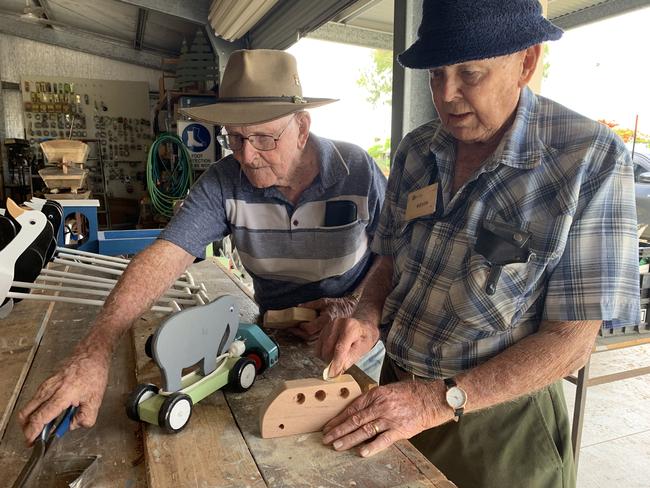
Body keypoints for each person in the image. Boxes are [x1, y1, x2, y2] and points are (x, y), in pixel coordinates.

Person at [316, 1, 640, 487]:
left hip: (498, 424)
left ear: (526, 63)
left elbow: (571, 342)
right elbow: (387, 260)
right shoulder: (418, 150)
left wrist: (437, 400)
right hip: (396, 396)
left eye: (470, 73)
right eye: (436, 74)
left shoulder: (588, 160)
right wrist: (366, 315)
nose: (447, 96)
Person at [19, 49, 387, 444]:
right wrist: (94, 350)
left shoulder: (358, 171)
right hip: (277, 341)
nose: (247, 155)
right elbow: (164, 256)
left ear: (302, 126)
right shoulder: (224, 181)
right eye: (236, 138)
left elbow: (393, 253)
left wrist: (354, 305)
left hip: (353, 345)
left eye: (264, 137)